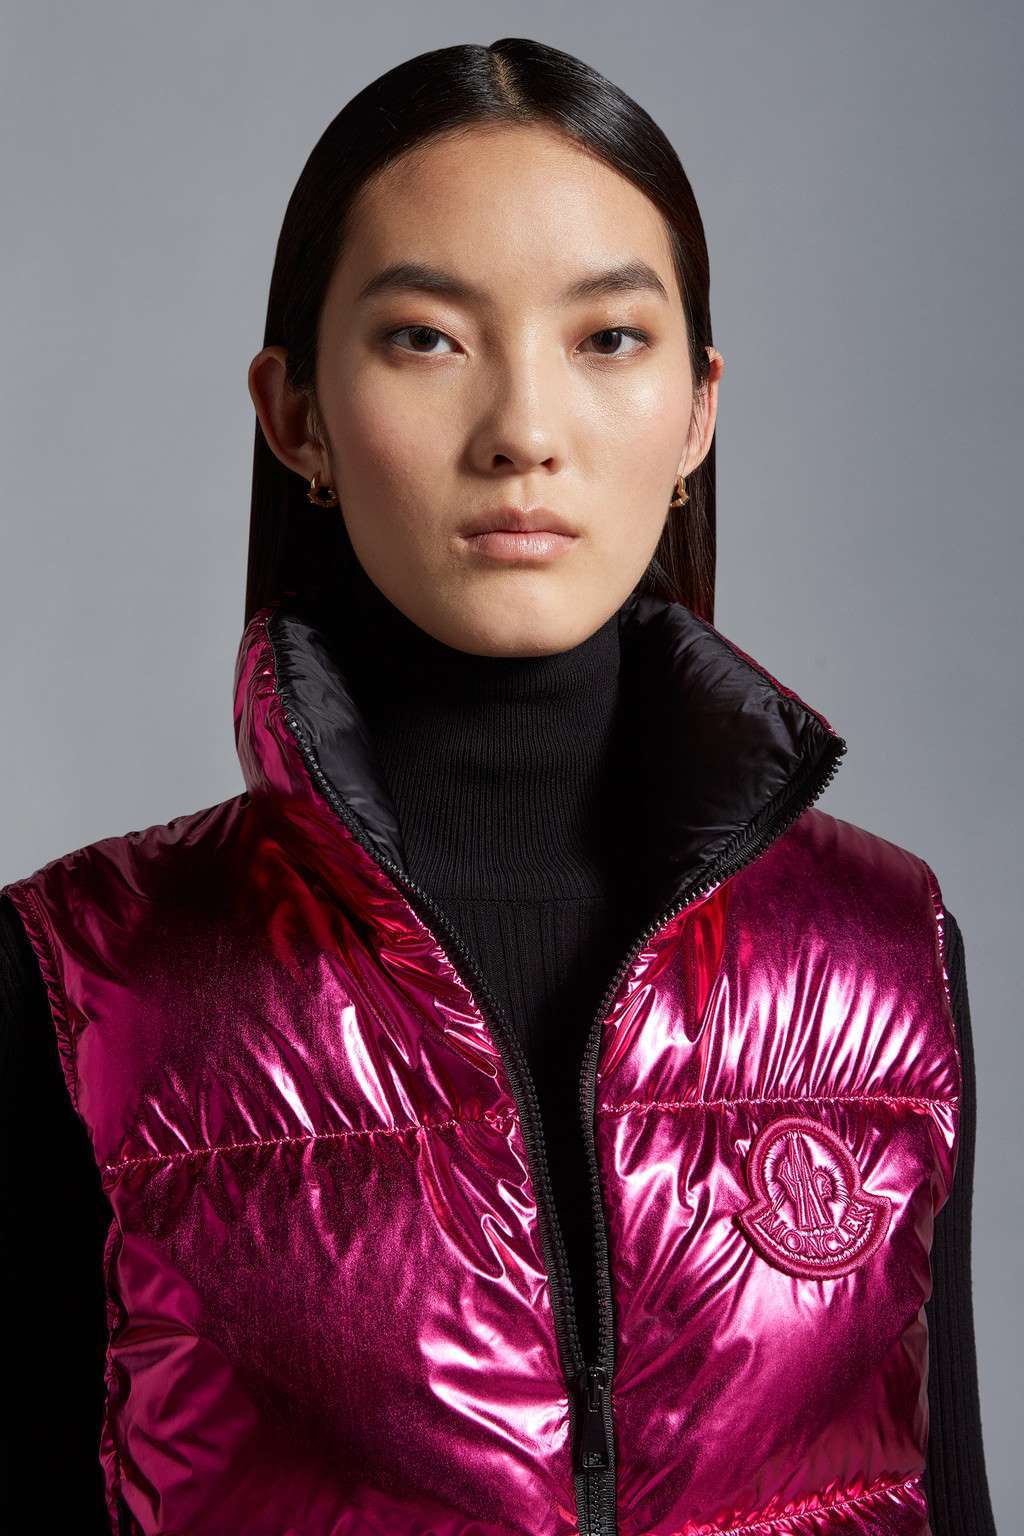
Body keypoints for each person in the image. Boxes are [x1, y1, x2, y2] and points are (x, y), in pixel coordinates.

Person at [0, 36, 998, 1536]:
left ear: (698, 410)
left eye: (610, 339)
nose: (525, 431)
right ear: (295, 415)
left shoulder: (885, 949)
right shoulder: (86, 977)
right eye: (426, 337)